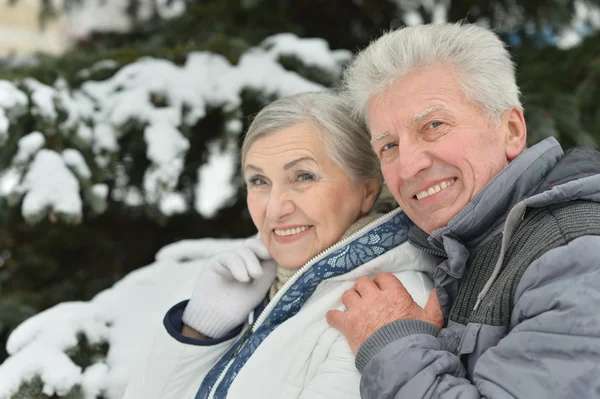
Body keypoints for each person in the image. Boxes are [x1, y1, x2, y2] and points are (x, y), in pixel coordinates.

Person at [326, 22, 600, 398]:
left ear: (511, 131)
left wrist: (391, 344)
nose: (408, 168)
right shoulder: (465, 245)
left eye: (433, 125)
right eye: (388, 146)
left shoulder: (578, 255)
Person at [122, 91, 439, 399]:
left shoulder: (387, 305)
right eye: (259, 181)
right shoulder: (270, 288)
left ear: (367, 190)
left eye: (303, 176)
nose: (274, 209)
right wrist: (201, 328)